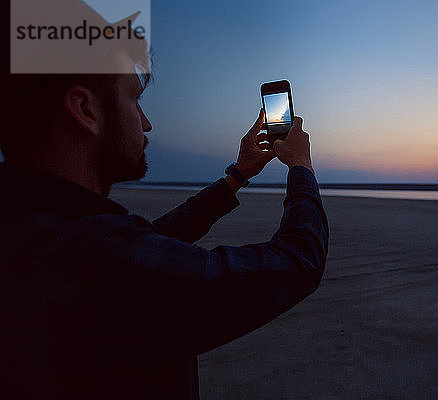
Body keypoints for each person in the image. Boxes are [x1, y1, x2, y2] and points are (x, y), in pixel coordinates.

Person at [1, 4, 328, 399]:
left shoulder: (31, 226)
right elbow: (297, 264)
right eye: (133, 98)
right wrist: (301, 167)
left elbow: (152, 241)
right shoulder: (99, 260)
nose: (145, 121)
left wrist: (236, 175)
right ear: (86, 110)